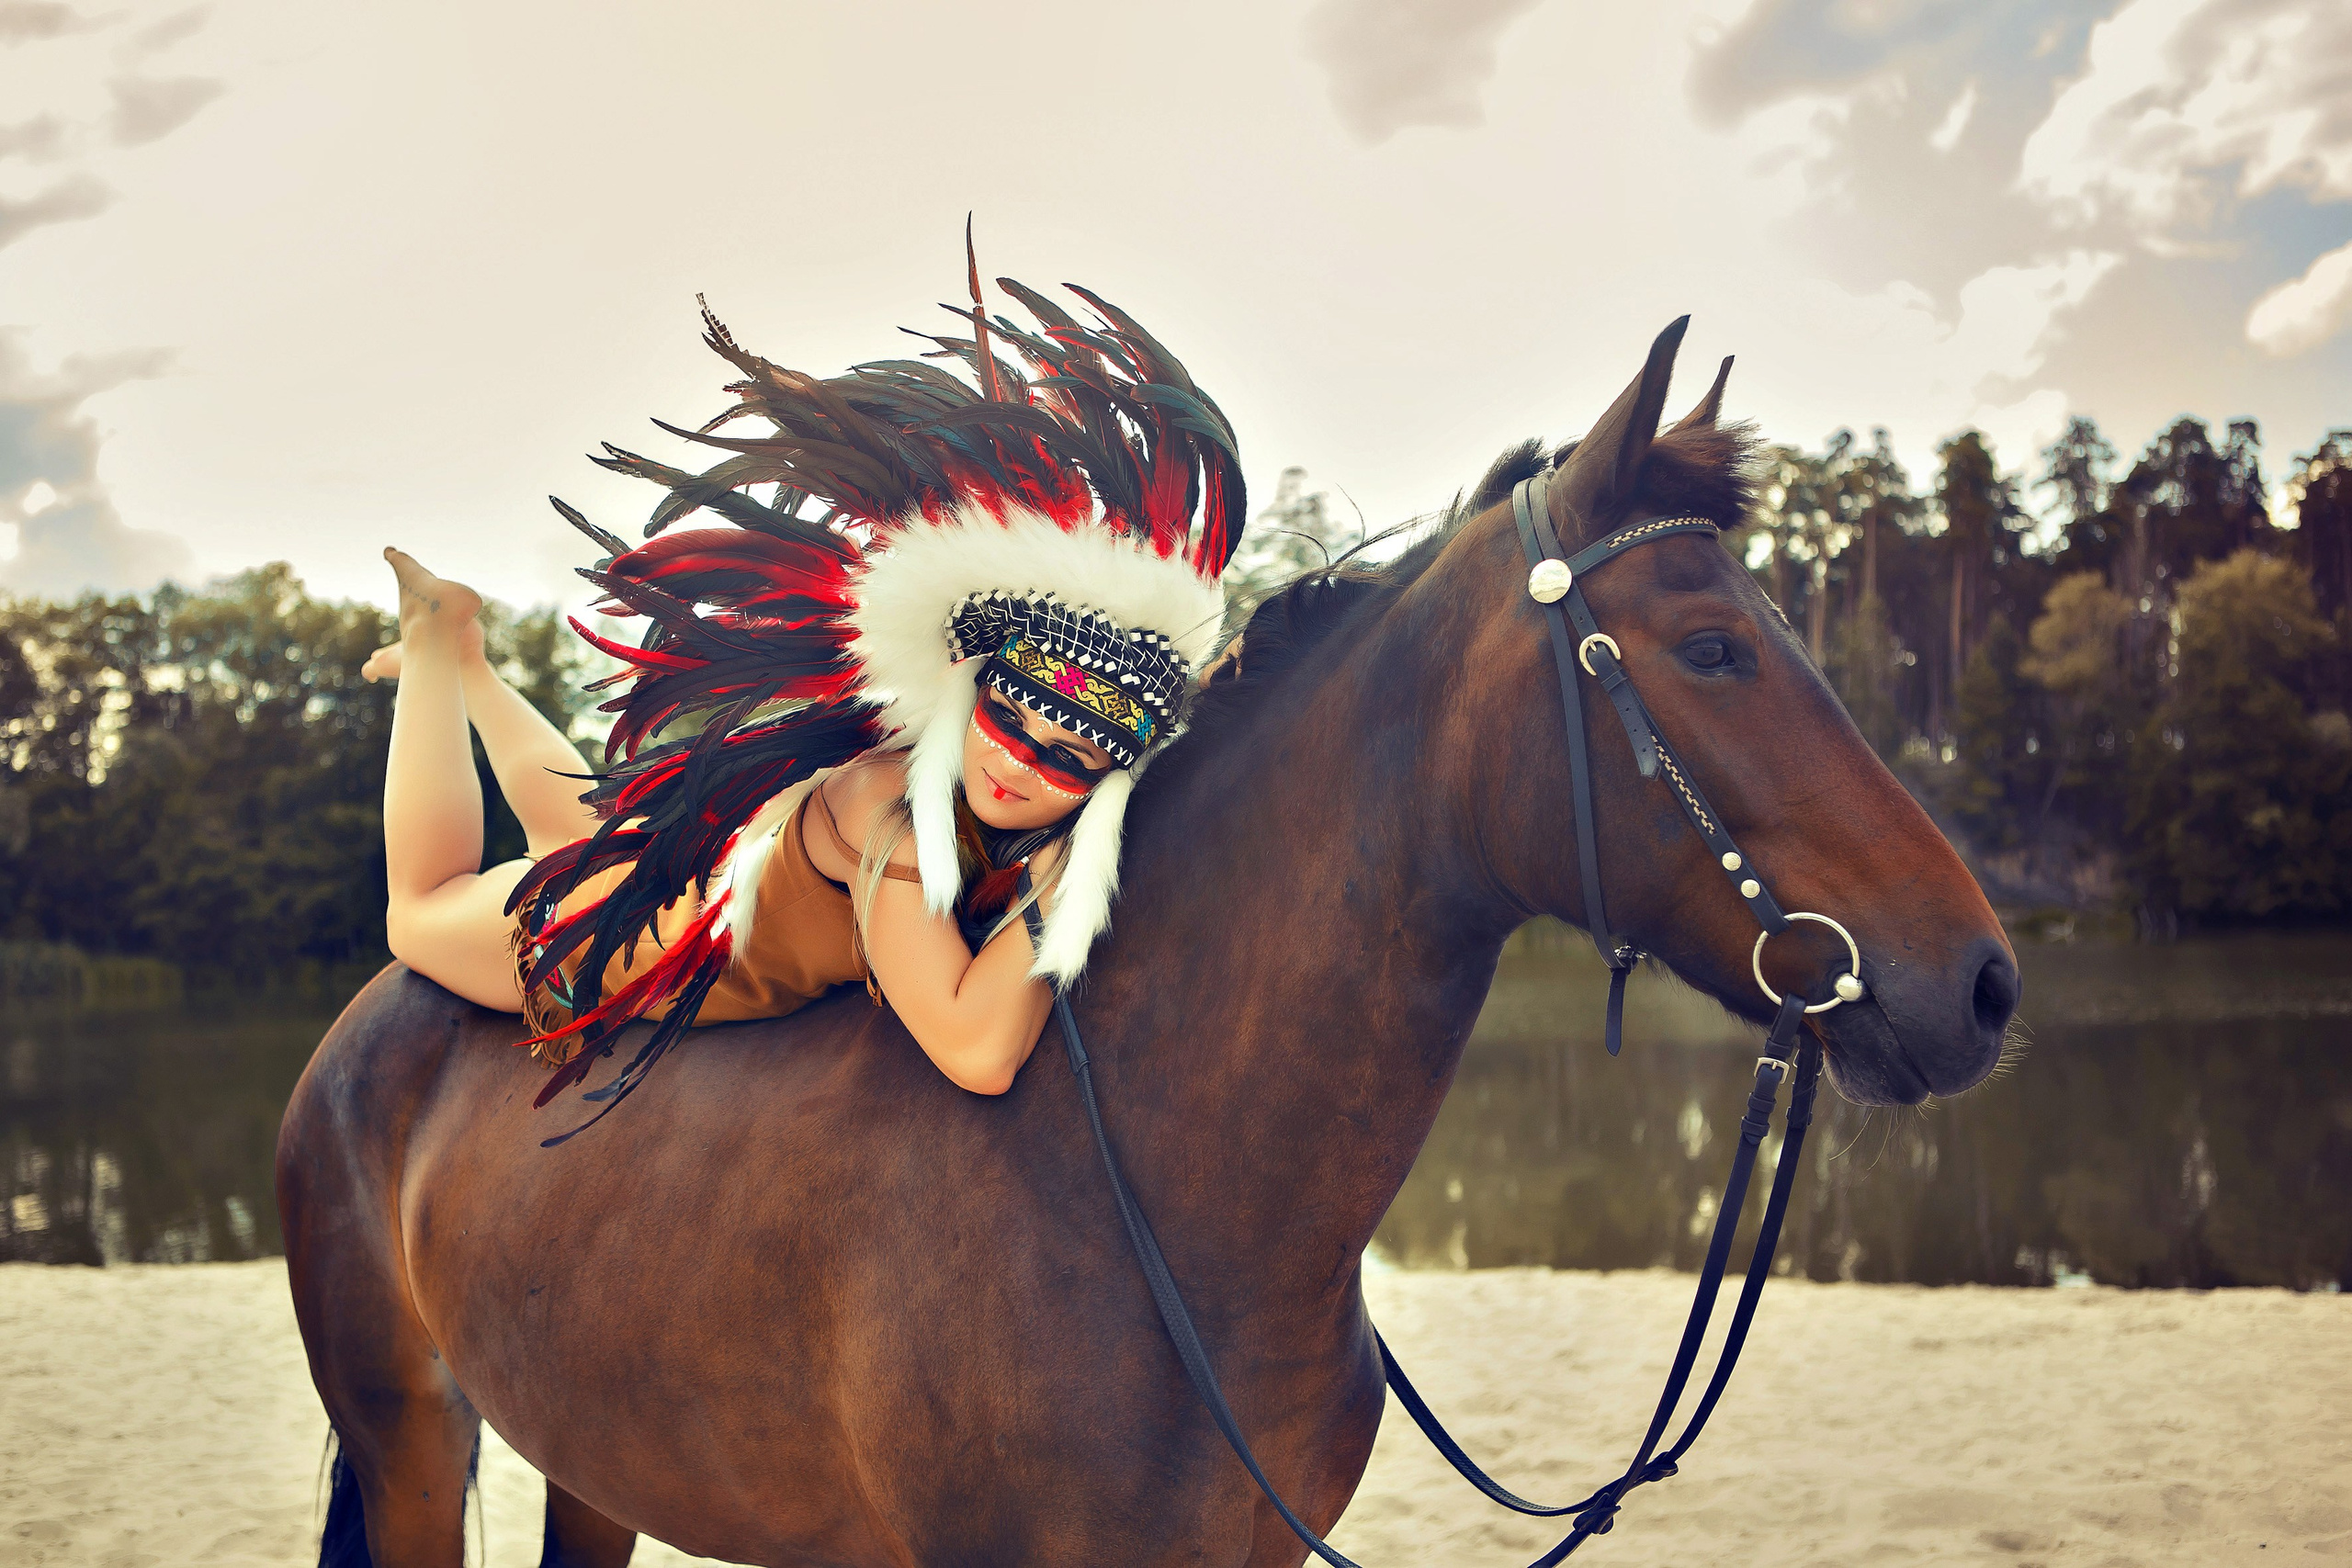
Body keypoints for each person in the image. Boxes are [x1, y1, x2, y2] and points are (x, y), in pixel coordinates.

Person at [368, 272, 1247, 1115]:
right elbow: (978, 1053)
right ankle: (433, 643)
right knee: (421, 905)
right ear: (966, 688)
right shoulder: (884, 810)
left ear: (1109, 775)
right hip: (603, 943)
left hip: (655, 874)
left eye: (1069, 756)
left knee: (572, 829)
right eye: (1006, 717)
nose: (1016, 763)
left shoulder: (973, 804)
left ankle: (473, 664)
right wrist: (1063, 882)